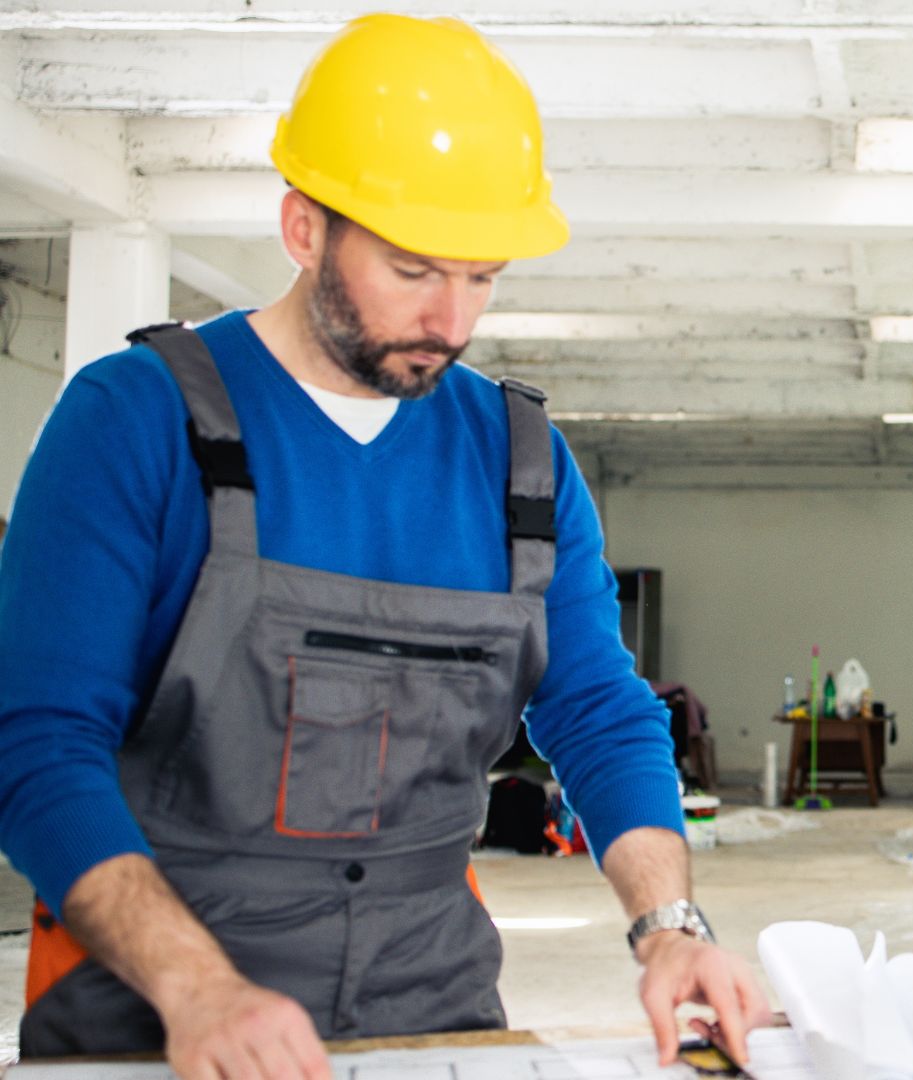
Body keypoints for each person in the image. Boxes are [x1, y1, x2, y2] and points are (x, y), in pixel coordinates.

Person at [0, 14, 767, 1071]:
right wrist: (199, 989)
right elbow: (35, 743)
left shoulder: (521, 462)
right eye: (413, 269)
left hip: (431, 1010)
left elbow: (596, 711)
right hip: (155, 1019)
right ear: (304, 226)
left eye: (483, 275)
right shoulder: (134, 421)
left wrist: (669, 927)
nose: (452, 320)